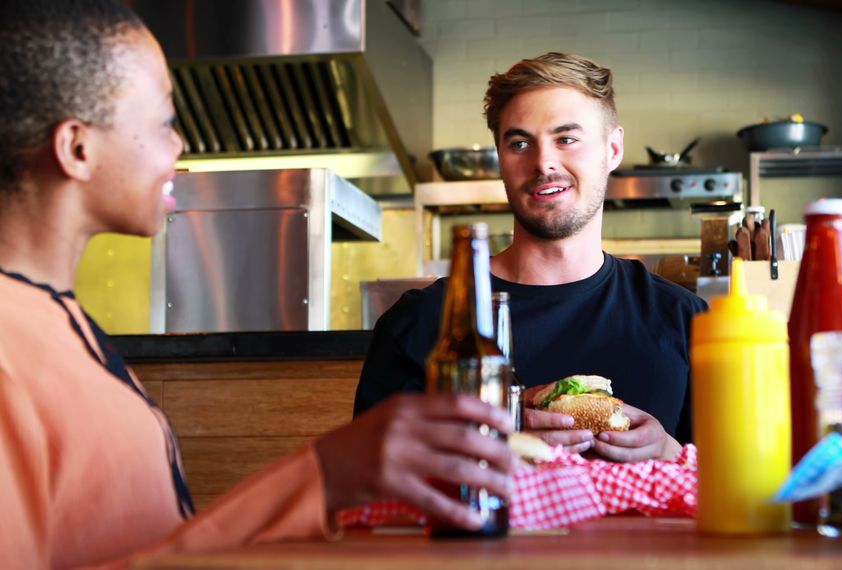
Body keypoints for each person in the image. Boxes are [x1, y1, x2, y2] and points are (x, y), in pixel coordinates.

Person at [0, 2, 512, 567]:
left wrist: (327, 480)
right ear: (78, 148)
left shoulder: (57, 320)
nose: (181, 147)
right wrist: (321, 475)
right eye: (166, 121)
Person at [355, 53, 707, 462]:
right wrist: (493, 438)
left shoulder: (685, 321)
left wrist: (668, 450)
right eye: (520, 143)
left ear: (612, 149)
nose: (543, 163)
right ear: (501, 160)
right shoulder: (422, 322)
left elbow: (742, 489)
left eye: (566, 139)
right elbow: (369, 476)